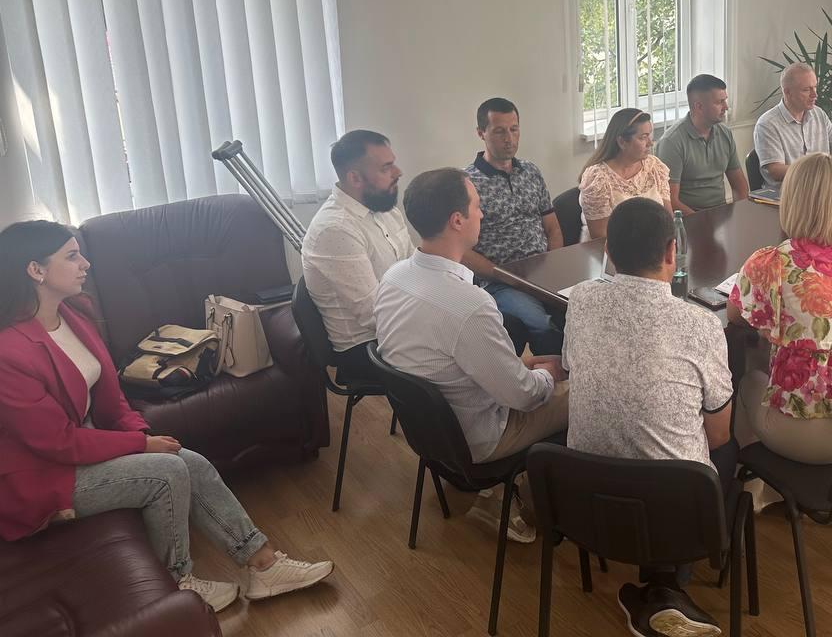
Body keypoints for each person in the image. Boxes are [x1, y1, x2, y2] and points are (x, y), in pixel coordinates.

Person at [0, 221, 333, 614]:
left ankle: (264, 566)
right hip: (42, 476)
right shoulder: (9, 352)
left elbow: (110, 396)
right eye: (72, 256)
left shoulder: (73, 315)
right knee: (165, 472)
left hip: (82, 446)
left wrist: (141, 434)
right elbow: (57, 442)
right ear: (35, 270)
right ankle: (176, 585)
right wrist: (140, 445)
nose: (85, 264)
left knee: (191, 462)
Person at [564, 197, 734, 637]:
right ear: (672, 251)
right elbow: (718, 435)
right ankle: (666, 587)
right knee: (727, 451)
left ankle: (654, 595)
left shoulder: (580, 300)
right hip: (669, 508)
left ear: (608, 252)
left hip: (583, 503)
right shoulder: (701, 324)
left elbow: (570, 367)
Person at [375, 168, 569, 543]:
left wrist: (522, 367)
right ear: (457, 220)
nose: (482, 214)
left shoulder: (394, 277)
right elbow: (524, 397)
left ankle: (502, 493)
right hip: (480, 438)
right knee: (586, 392)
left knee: (533, 369)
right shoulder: (470, 305)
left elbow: (446, 360)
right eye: (477, 206)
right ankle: (548, 500)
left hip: (431, 432)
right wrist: (551, 374)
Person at [727, 152, 832, 466]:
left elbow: (735, 315)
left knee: (746, 380)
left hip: (800, 430)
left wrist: (773, 324)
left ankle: (751, 483)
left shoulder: (771, 262)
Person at [302, 129, 413, 382]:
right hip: (365, 348)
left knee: (483, 329)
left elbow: (414, 269)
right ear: (355, 178)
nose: (398, 172)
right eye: (386, 168)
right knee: (458, 355)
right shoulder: (335, 229)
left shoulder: (385, 209)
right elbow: (374, 314)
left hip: (397, 327)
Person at [464, 98, 564, 354]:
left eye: (514, 129)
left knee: (581, 308)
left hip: (544, 272)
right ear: (481, 133)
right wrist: (502, 275)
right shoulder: (467, 183)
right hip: (500, 281)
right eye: (499, 131)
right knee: (542, 324)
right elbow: (463, 251)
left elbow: (552, 228)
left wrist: (554, 265)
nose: (509, 138)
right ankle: (548, 377)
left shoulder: (531, 172)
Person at [655, 74, 749, 213]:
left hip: (721, 213)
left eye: (725, 100)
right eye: (719, 102)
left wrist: (739, 213)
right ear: (699, 106)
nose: (726, 107)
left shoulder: (725, 133)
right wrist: (703, 221)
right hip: (689, 218)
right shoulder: (671, 142)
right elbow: (670, 200)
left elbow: (739, 187)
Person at [579, 108, 672, 240]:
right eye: (643, 137)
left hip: (654, 245)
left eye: (649, 136)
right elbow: (600, 237)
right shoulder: (597, 178)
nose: (650, 143)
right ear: (622, 142)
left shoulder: (654, 166)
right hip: (612, 249)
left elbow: (668, 218)